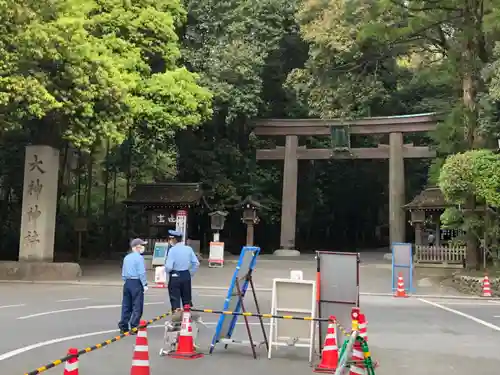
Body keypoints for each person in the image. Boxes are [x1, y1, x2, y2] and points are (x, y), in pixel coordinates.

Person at [118, 238, 148, 333]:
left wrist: (126, 280)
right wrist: (145, 284)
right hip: (136, 282)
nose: (143, 247)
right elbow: (141, 272)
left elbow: (123, 272)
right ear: (137, 247)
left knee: (126, 305)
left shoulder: (127, 257)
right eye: (142, 245)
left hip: (127, 283)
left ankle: (123, 326)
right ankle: (134, 326)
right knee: (137, 306)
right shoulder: (139, 258)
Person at [165, 229, 199, 311]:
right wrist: (190, 273)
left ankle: (176, 321)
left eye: (170, 239)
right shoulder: (188, 249)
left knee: (175, 299)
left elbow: (169, 267)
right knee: (187, 299)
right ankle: (186, 320)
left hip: (175, 275)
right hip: (186, 275)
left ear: (174, 239)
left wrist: (166, 271)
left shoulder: (172, 250)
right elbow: (196, 263)